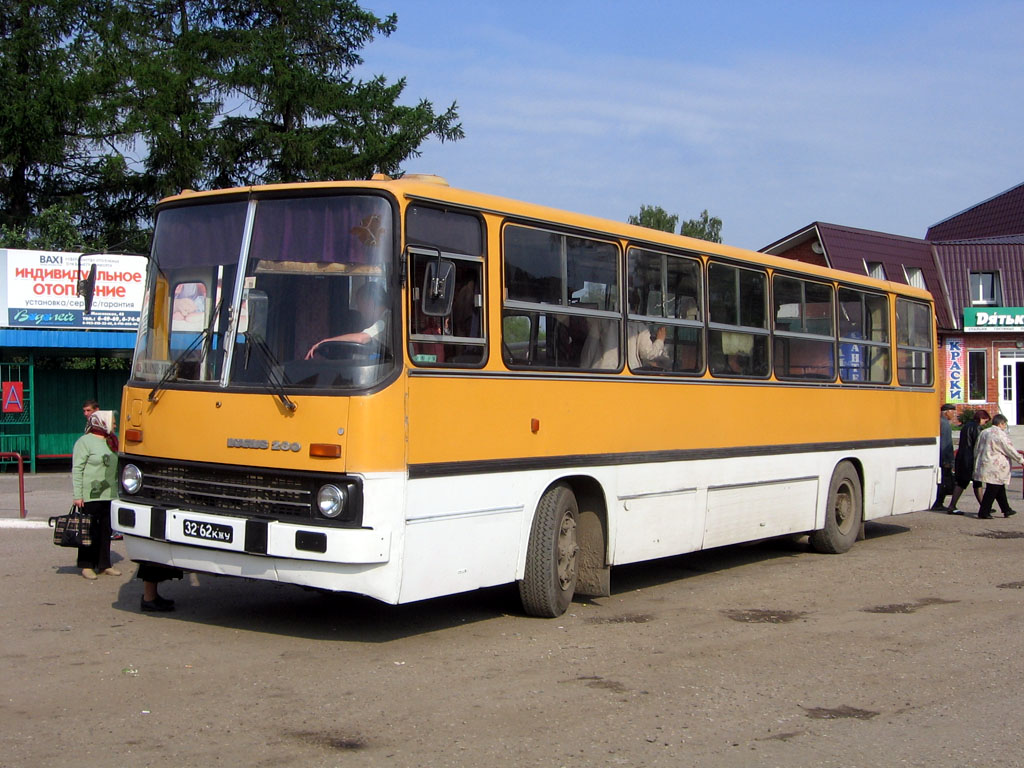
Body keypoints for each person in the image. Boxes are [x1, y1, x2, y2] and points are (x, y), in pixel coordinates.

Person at [71, 411, 120, 580]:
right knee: (88, 530)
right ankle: (86, 565)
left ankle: (104, 564)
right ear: (102, 421)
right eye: (113, 421)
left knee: (106, 530)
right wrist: (78, 495)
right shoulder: (85, 442)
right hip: (90, 495)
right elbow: (77, 469)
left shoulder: (111, 441)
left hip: (109, 494)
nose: (115, 425)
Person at [305, 282, 388, 359]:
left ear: (370, 303)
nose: (359, 309)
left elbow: (361, 339)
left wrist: (326, 341)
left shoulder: (385, 321)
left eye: (360, 305)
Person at [973, 414, 1022, 519]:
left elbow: (977, 447)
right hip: (997, 465)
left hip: (984, 463)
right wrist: (1020, 459)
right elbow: (1009, 449)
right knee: (992, 488)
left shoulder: (984, 432)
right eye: (1005, 424)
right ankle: (984, 511)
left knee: (999, 487)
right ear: (1001, 423)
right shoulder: (1000, 434)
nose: (1005, 427)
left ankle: (1006, 509)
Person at [947, 409, 990, 515]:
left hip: (962, 457)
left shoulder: (966, 426)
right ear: (981, 418)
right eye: (985, 421)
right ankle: (953, 506)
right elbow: (978, 444)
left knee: (966, 482)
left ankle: (983, 506)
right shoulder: (976, 428)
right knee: (970, 482)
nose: (985, 423)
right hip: (970, 459)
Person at [931, 403, 956, 510]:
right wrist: (948, 460)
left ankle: (937, 502)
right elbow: (946, 443)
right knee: (944, 481)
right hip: (944, 458)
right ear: (946, 412)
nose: (954, 415)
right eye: (952, 412)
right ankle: (938, 503)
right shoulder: (945, 424)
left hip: (939, 456)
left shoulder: (939, 422)